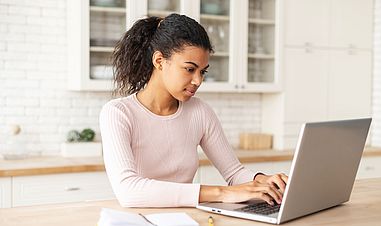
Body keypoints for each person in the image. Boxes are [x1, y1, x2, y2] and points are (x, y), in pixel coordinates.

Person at [99, 13, 288, 208]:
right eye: (190, 69)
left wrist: (264, 182)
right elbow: (128, 191)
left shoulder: (199, 111)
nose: (198, 81)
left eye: (203, 71)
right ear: (159, 61)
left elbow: (234, 173)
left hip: (186, 219)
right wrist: (221, 193)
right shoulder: (118, 113)